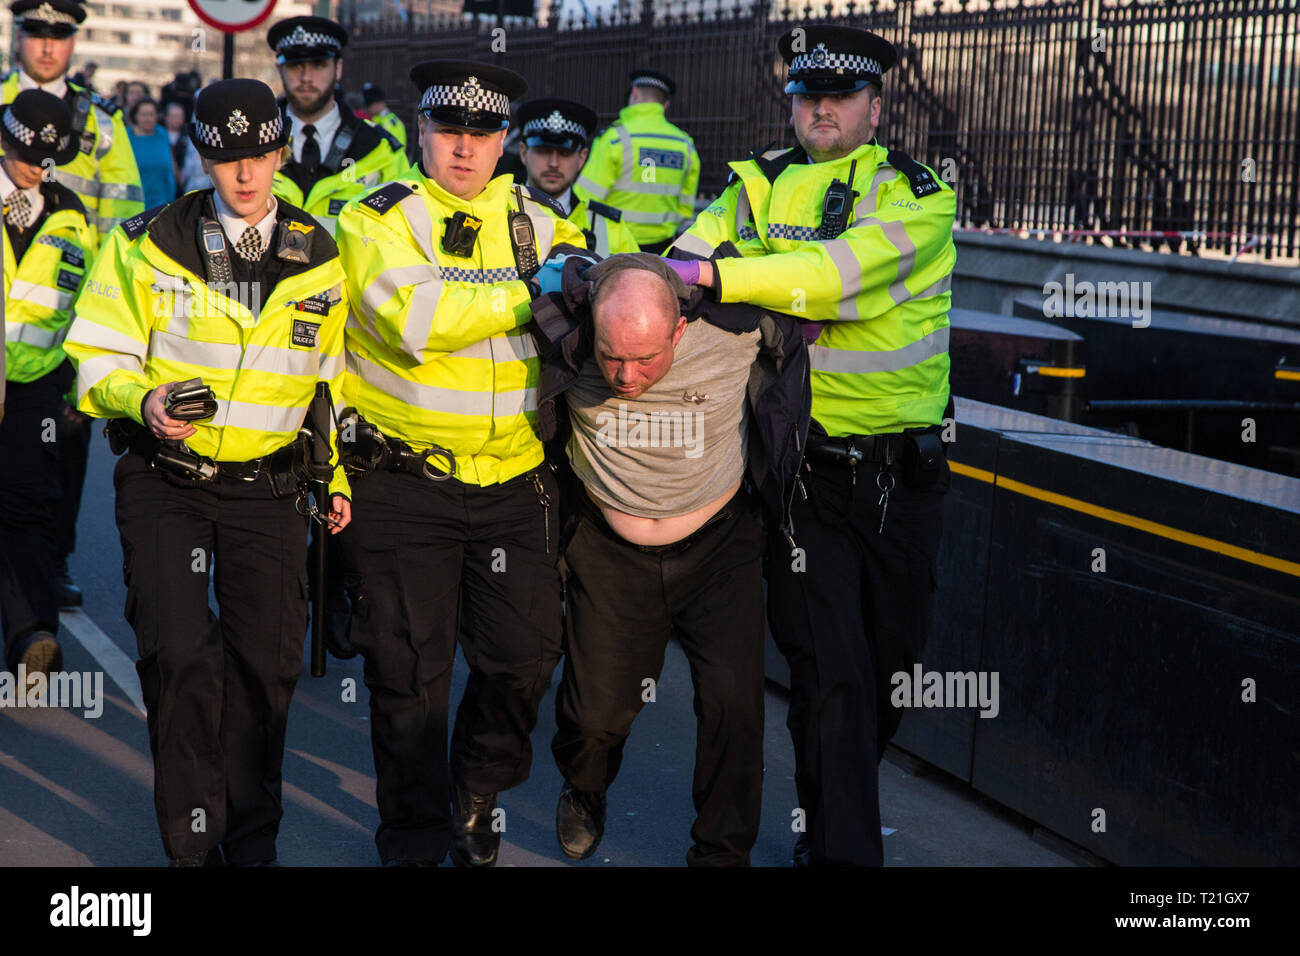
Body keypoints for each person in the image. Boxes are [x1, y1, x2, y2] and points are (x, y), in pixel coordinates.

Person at [669, 25, 957, 867]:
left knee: (884, 675)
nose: (821, 108)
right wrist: (654, 274)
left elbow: (837, 277)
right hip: (805, 479)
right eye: (806, 93)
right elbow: (681, 258)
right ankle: (837, 854)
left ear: (875, 103)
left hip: (905, 484)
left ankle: (825, 818)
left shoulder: (918, 194)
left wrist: (722, 276)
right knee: (834, 680)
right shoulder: (754, 185)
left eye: (838, 94)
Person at [62, 78, 351, 867]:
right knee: (180, 654)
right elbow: (94, 352)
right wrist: (141, 396)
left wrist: (338, 481)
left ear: (282, 153)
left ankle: (253, 842)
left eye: (259, 154)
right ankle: (192, 837)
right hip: (167, 481)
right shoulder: (146, 240)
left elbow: (333, 382)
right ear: (202, 156)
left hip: (270, 490)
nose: (245, 174)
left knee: (267, 670)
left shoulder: (322, 253)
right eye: (226, 158)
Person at [335, 59, 585, 867]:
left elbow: (594, 311)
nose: (464, 150)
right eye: (448, 132)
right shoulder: (375, 218)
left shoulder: (549, 230)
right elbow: (413, 319)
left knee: (524, 660)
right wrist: (528, 294)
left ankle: (475, 787)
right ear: (422, 132)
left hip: (514, 481)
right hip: (405, 483)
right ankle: (411, 844)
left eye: (481, 134)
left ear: (505, 139)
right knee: (409, 680)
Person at [545, 255, 766, 866]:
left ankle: (721, 853)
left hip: (718, 547)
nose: (626, 374)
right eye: (612, 356)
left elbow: (812, 308)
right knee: (593, 715)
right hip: (609, 550)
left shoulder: (736, 333)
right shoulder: (565, 334)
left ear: (679, 331)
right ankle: (586, 790)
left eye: (645, 359)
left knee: (733, 705)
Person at [3, 0, 146, 608]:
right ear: (19, 34)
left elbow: (122, 221)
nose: (45, 46)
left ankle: (52, 561)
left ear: (73, 40)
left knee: (60, 452)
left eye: (59, 34)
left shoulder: (103, 125)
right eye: (35, 31)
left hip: (69, 307)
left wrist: (107, 319)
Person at [0, 89, 95, 690]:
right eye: (24, 153)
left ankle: (32, 634)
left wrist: (79, 384)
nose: (35, 166)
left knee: (28, 505)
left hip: (34, 384)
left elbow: (87, 305)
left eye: (46, 158)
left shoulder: (72, 214)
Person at [268, 15, 407, 237]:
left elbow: (399, 240)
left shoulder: (382, 151)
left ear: (338, 68)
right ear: (279, 68)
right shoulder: (250, 145)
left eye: (319, 65)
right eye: (295, 65)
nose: (306, 77)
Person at [574, 69, 699, 254]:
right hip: (663, 248)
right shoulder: (684, 144)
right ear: (665, 105)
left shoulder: (615, 139)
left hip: (615, 246)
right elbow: (686, 205)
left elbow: (584, 198)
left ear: (634, 93)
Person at [516, 97, 638, 258]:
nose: (553, 163)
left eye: (565, 153)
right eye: (543, 151)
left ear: (582, 158)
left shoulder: (609, 226)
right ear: (524, 153)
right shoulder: (496, 212)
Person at [126, 98, 176, 209]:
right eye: (143, 114)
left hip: (161, 203)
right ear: (135, 116)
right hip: (133, 203)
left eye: (151, 114)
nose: (148, 118)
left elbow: (170, 167)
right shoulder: (126, 136)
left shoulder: (162, 134)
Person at [361, 82, 406, 152]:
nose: (366, 109)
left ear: (378, 103)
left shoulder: (389, 124)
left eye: (368, 106)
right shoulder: (380, 119)